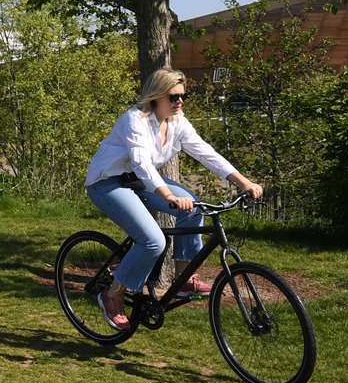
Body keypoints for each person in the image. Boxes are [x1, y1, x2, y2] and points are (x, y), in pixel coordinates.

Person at [85, 67, 263, 329]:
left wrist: (243, 181)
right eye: (173, 96)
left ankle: (183, 278)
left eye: (183, 96)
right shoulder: (134, 120)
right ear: (156, 96)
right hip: (108, 182)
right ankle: (112, 295)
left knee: (193, 209)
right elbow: (142, 163)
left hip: (139, 180)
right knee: (153, 241)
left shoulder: (177, 121)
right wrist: (167, 194)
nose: (180, 101)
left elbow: (205, 152)